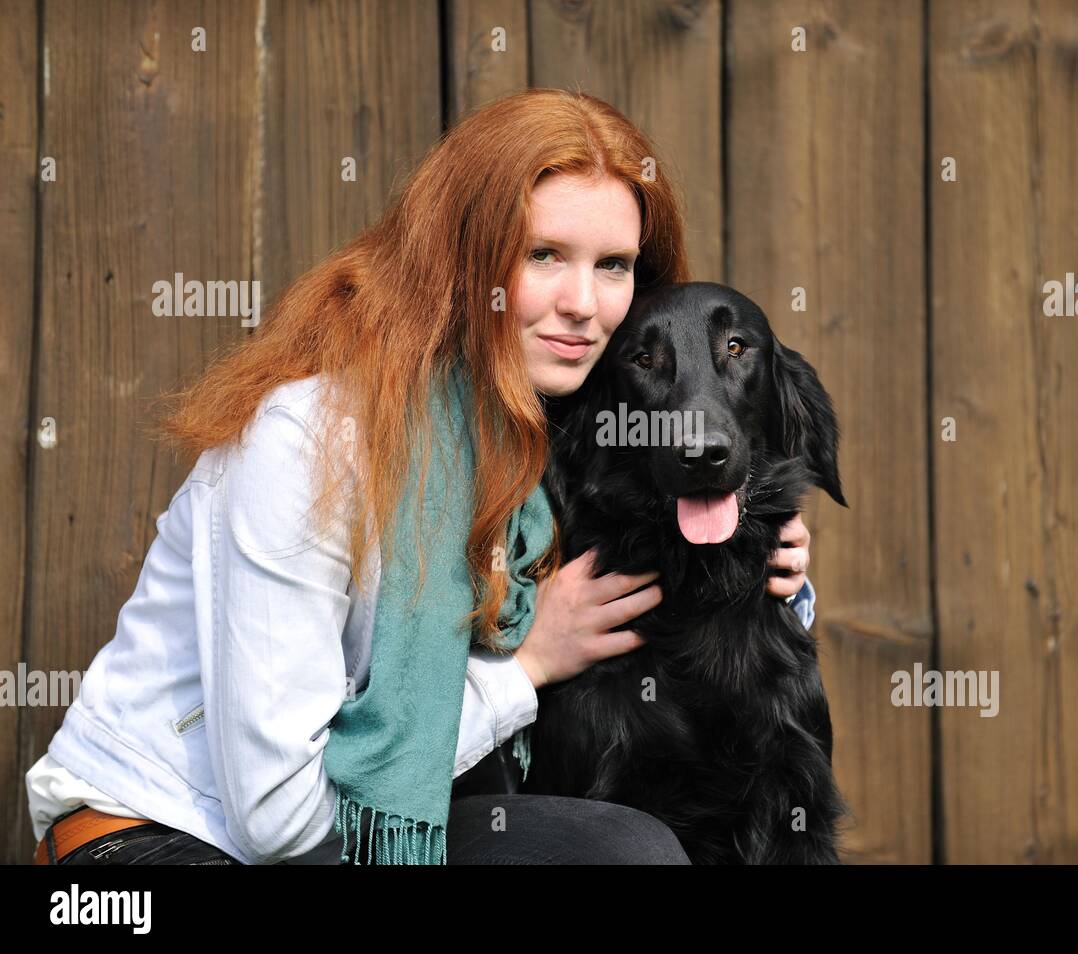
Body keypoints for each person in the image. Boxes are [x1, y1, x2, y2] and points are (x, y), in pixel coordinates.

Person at [25, 89, 818, 866]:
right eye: (543, 255)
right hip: (154, 844)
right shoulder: (308, 442)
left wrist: (762, 560)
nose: (584, 302)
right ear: (464, 258)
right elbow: (276, 823)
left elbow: (663, 560)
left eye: (612, 265)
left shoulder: (551, 441)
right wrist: (528, 668)